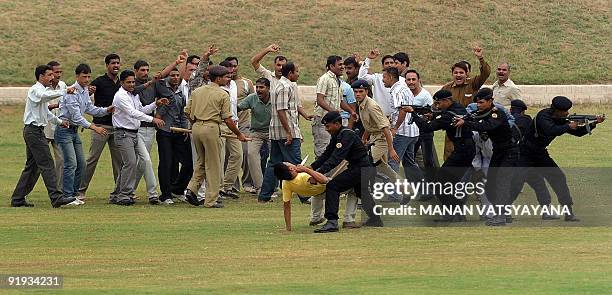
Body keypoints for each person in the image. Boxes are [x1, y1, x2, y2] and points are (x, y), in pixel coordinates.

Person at [510, 96, 605, 221]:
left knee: (558, 178)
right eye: (565, 111)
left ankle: (568, 212)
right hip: (524, 153)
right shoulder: (543, 116)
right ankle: (502, 212)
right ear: (557, 110)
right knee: (517, 182)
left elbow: (578, 133)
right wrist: (568, 126)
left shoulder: (559, 118)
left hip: (540, 153)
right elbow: (551, 130)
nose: (567, 113)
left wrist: (594, 123)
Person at [10, 65, 77, 208]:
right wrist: (64, 91)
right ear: (41, 76)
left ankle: (18, 198)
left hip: (36, 131)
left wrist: (60, 122)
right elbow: (43, 97)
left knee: (32, 167)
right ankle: (56, 197)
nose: (52, 78)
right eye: (49, 75)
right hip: (33, 132)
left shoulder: (43, 91)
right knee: (47, 164)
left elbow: (45, 113)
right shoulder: (35, 90)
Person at [404, 90, 475, 221]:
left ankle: (451, 214)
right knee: (448, 184)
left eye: (438, 103)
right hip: (467, 150)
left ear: (447, 101)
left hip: (462, 152)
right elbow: (444, 114)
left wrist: (413, 114)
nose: (437, 106)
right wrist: (433, 115)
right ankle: (457, 214)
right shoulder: (458, 107)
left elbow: (426, 128)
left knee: (439, 183)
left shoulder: (448, 115)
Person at [184, 66, 249, 208]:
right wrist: (238, 134)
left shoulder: (197, 92)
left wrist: (196, 123)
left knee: (201, 161)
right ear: (218, 78)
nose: (228, 79)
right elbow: (228, 119)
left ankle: (191, 189)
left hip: (196, 128)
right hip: (211, 128)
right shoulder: (222, 94)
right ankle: (211, 200)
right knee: (213, 165)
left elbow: (187, 111)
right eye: (226, 77)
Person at [310, 111, 383, 233]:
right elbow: (327, 154)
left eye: (328, 126)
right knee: (362, 193)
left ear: (337, 124)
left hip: (361, 168)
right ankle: (376, 219)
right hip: (362, 167)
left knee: (333, 186)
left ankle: (332, 221)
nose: (326, 129)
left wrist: (320, 173)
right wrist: (312, 167)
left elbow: (336, 158)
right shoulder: (338, 135)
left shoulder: (346, 135)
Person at [455, 88, 518, 226]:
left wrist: (466, 123)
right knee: (490, 184)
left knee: (501, 182)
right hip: (498, 152)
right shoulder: (483, 112)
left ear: (490, 101)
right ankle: (500, 213)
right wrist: (464, 119)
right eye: (477, 103)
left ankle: (502, 216)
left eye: (481, 102)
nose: (478, 105)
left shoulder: (497, 113)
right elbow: (474, 117)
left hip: (509, 152)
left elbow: (488, 126)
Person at [56, 64, 113, 205]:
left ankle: (74, 194)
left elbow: (89, 108)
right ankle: (67, 195)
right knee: (71, 164)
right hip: (64, 131)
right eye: (84, 76)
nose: (87, 79)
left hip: (74, 132)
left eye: (88, 76)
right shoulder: (72, 92)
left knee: (81, 164)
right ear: (77, 76)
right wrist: (95, 127)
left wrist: (106, 110)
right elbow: (76, 117)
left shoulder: (84, 91)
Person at [109, 70, 167, 206]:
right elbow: (132, 113)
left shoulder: (133, 95)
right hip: (123, 133)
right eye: (128, 82)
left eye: (133, 82)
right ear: (121, 82)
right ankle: (124, 194)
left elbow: (141, 110)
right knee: (130, 162)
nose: (131, 84)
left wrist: (155, 105)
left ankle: (117, 194)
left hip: (134, 133)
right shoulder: (120, 96)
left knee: (139, 161)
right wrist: (153, 120)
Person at [258, 62, 305, 203]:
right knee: (296, 163)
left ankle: (264, 195)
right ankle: (305, 195)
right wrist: (289, 132)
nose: (298, 74)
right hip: (286, 132)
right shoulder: (285, 86)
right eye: (296, 71)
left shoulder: (278, 85)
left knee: (274, 163)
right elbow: (281, 110)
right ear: (290, 73)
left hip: (276, 132)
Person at [79, 54, 124, 198]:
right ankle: (80, 191)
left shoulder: (121, 83)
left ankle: (119, 191)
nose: (115, 65)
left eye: (117, 63)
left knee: (119, 162)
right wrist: (89, 91)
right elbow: (85, 98)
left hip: (117, 127)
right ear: (107, 65)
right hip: (100, 127)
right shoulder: (98, 81)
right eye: (113, 63)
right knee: (92, 159)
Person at [441, 47, 491, 160]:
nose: (458, 75)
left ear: (466, 74)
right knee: (449, 156)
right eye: (456, 72)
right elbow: (438, 104)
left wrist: (481, 58)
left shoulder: (473, 84)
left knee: (471, 157)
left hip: (469, 127)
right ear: (452, 74)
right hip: (452, 127)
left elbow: (486, 73)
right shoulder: (446, 88)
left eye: (461, 72)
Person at [154, 68, 193, 205]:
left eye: (177, 75)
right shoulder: (162, 89)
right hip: (165, 132)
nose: (175, 77)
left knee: (189, 162)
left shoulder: (180, 93)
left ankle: (177, 189)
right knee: (166, 163)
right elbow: (159, 114)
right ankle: (165, 195)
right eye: (172, 75)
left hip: (179, 131)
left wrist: (185, 129)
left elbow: (183, 113)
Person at [352, 79, 400, 191]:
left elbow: (385, 128)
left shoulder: (371, 106)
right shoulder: (361, 104)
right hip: (374, 137)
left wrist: (391, 148)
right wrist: (363, 139)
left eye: (361, 91)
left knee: (364, 163)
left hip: (381, 138)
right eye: (356, 92)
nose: (358, 94)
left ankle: (364, 192)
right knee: (383, 167)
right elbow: (370, 125)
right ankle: (407, 189)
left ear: (366, 92)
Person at [383, 67, 423, 187]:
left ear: (390, 77)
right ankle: (426, 190)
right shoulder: (403, 87)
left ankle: (393, 194)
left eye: (384, 77)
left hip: (402, 133)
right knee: (410, 163)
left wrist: (395, 127)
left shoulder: (397, 91)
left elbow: (403, 110)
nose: (383, 80)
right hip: (412, 131)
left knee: (392, 162)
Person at [313, 55, 357, 158]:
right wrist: (333, 112)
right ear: (331, 66)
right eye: (340, 64)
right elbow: (320, 100)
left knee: (333, 151)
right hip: (323, 120)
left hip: (334, 121)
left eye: (343, 64)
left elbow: (340, 101)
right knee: (322, 152)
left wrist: (351, 112)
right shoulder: (325, 79)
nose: (343, 67)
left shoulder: (339, 81)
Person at [132, 59, 161, 204]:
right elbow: (138, 112)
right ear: (135, 71)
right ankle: (153, 193)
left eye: (147, 70)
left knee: (142, 163)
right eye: (142, 70)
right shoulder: (132, 86)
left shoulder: (152, 84)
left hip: (150, 129)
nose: (145, 73)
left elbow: (145, 109)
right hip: (137, 129)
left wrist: (157, 104)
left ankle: (128, 190)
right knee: (146, 160)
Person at [405, 69, 439, 189]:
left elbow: (431, 115)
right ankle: (418, 188)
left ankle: (433, 188)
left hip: (424, 133)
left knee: (428, 161)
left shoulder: (425, 96)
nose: (411, 82)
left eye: (413, 79)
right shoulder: (405, 94)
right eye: (408, 79)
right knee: (410, 160)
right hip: (409, 133)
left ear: (419, 80)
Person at [237, 78, 272, 194]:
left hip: (272, 132)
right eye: (257, 87)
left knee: (276, 157)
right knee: (251, 154)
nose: (258, 90)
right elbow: (238, 108)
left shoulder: (276, 98)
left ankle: (274, 185)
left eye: (261, 87)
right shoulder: (252, 98)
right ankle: (260, 187)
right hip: (256, 132)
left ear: (268, 88)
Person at [274, 162, 328, 231]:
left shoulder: (286, 183)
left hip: (316, 193)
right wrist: (306, 170)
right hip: (328, 188)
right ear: (291, 168)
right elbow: (324, 180)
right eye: (288, 163)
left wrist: (288, 227)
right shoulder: (303, 176)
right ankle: (346, 219)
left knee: (316, 196)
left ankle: (316, 219)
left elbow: (286, 206)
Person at [218, 60, 243, 199]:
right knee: (220, 158)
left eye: (233, 68)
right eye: (228, 70)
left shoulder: (233, 84)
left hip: (233, 124)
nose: (232, 71)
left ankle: (227, 186)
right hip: (221, 124)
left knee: (237, 155)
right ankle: (219, 188)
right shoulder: (217, 87)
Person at [358, 49, 404, 116]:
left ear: (395, 65)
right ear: (383, 66)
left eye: (391, 63)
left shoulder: (403, 80)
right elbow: (361, 78)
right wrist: (368, 59)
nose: (389, 65)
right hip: (380, 117)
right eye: (387, 63)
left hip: (396, 117)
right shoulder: (377, 78)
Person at [44, 61, 66, 190]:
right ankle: (23, 192)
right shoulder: (43, 88)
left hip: (59, 129)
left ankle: (58, 191)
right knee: (37, 163)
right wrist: (55, 106)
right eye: (55, 72)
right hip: (44, 130)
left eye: (59, 72)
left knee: (62, 161)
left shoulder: (63, 86)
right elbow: (40, 108)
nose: (58, 75)